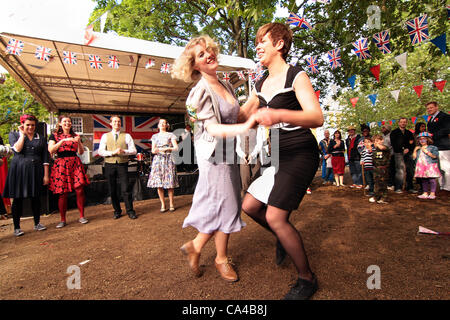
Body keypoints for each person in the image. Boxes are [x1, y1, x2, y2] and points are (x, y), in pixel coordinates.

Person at [238, 22, 323, 300]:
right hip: (276, 155)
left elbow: (316, 117)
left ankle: (307, 279)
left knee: (275, 215)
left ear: (279, 44)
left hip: (300, 151)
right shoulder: (260, 83)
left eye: (263, 41)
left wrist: (280, 115)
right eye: (257, 42)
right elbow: (242, 116)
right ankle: (282, 238)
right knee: (250, 206)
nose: (258, 46)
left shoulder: (296, 76)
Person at [171, 35, 255, 283]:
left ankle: (198, 247)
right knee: (227, 204)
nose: (208, 55)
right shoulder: (198, 93)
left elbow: (236, 116)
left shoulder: (227, 85)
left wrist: (256, 99)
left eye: (209, 50)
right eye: (201, 54)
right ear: (195, 65)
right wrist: (247, 126)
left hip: (228, 152)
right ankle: (217, 257)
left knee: (223, 204)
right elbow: (214, 129)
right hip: (213, 155)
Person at [2, 114, 49, 236]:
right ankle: (17, 227)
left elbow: (45, 158)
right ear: (22, 124)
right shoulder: (14, 135)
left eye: (33, 125)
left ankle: (37, 223)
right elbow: (17, 149)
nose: (30, 127)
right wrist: (22, 134)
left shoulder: (42, 138)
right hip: (19, 169)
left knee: (36, 197)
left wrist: (46, 175)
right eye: (28, 124)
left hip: (36, 170)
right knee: (18, 198)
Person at [48, 115, 90, 228]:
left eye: (69, 121)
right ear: (60, 123)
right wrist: (63, 141)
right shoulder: (54, 135)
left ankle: (82, 216)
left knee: (79, 190)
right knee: (63, 193)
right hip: (61, 164)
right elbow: (51, 150)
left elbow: (81, 152)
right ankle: (62, 219)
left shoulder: (75, 135)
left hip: (75, 163)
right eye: (65, 121)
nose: (67, 123)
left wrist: (79, 142)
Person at [98, 115, 137, 219]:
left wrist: (124, 151)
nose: (117, 123)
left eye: (119, 122)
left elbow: (134, 150)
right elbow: (100, 151)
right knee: (112, 189)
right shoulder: (105, 136)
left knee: (126, 189)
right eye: (114, 121)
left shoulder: (127, 136)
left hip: (122, 164)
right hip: (109, 165)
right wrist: (112, 153)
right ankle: (117, 211)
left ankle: (130, 211)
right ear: (110, 123)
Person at [147, 118, 179, 212]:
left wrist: (168, 148)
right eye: (160, 123)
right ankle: (162, 204)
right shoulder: (154, 136)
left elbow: (176, 148)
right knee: (159, 183)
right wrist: (159, 150)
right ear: (158, 125)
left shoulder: (171, 135)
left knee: (170, 183)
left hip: (169, 159)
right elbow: (153, 150)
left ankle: (171, 203)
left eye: (164, 123)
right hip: (158, 160)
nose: (162, 124)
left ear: (166, 125)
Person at [426, 101, 450, 191]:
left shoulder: (445, 116)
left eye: (431, 107)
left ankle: (448, 186)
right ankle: (442, 186)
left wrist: (433, 135)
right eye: (428, 108)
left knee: (446, 168)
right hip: (434, 147)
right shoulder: (430, 120)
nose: (429, 110)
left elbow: (447, 129)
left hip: (444, 146)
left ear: (436, 107)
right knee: (438, 168)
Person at [390, 117, 416, 193]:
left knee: (410, 170)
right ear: (399, 123)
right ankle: (398, 187)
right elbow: (393, 143)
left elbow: (412, 143)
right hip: (398, 153)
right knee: (400, 170)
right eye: (401, 122)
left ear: (406, 123)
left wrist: (408, 148)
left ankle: (410, 187)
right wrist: (402, 149)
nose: (403, 123)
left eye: (404, 122)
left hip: (409, 153)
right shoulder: (394, 132)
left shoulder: (409, 133)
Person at [412, 132, 440, 199]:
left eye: (424, 139)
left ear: (428, 139)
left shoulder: (433, 147)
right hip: (421, 165)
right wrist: (415, 150)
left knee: (432, 179)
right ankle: (425, 193)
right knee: (424, 179)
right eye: (420, 139)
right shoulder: (418, 148)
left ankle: (432, 193)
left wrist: (427, 152)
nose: (422, 141)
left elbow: (435, 156)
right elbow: (414, 158)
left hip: (430, 165)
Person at [236, 128, 262, 198]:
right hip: (243, 157)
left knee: (256, 180)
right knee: (245, 180)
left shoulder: (257, 128)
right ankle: (245, 202)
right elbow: (237, 145)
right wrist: (242, 155)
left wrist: (252, 155)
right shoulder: (240, 128)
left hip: (255, 156)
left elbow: (259, 144)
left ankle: (257, 202)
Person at [369, 134, 391, 204]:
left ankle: (384, 198)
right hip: (376, 169)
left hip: (383, 169)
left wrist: (377, 144)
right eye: (374, 141)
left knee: (383, 184)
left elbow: (382, 148)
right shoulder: (375, 150)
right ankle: (377, 197)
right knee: (377, 183)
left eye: (378, 141)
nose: (376, 143)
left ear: (382, 141)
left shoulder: (385, 148)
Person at [413, 122, 426, 193]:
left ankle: (427, 187)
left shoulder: (427, 135)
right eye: (422, 127)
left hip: (426, 153)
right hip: (417, 153)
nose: (423, 128)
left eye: (424, 126)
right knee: (419, 169)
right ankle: (421, 186)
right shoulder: (414, 135)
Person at [381, 124, 395, 190]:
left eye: (384, 128)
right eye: (382, 128)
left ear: (388, 129)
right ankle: (385, 183)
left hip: (390, 155)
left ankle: (391, 184)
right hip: (382, 156)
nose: (382, 129)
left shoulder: (392, 136)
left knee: (391, 170)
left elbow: (392, 146)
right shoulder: (382, 136)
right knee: (384, 170)